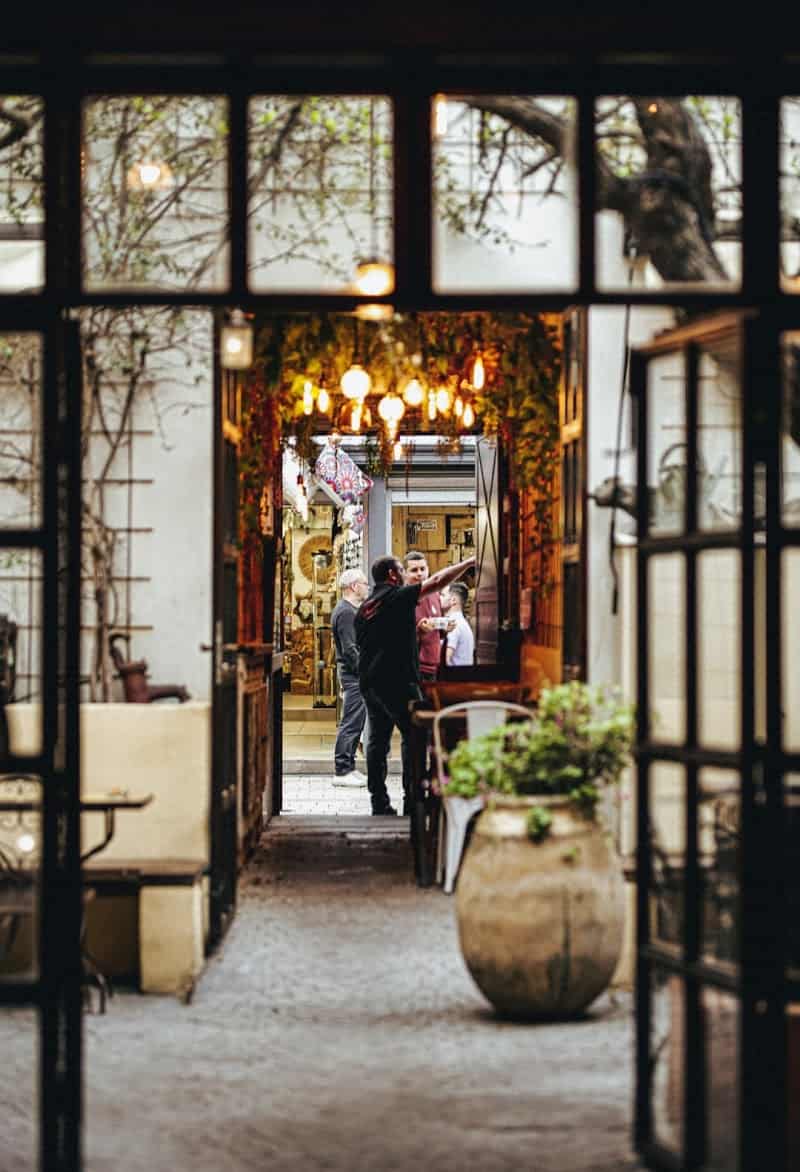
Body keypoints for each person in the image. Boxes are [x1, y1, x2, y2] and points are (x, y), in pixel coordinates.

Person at [355, 551, 476, 816]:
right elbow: (437, 581)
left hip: (370, 683)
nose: (405, 575)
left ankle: (379, 801)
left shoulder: (365, 608)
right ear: (392, 575)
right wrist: (467, 564)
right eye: (401, 569)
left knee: (377, 741)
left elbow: (369, 642)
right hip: (397, 681)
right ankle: (413, 799)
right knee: (414, 735)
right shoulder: (397, 596)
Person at [330, 568, 370, 787]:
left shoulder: (349, 610)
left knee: (356, 720)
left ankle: (349, 767)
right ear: (354, 586)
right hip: (354, 675)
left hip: (355, 674)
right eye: (364, 583)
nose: (367, 587)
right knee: (351, 722)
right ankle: (342, 770)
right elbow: (349, 649)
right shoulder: (346, 612)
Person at [403, 550, 454, 683]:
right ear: (404, 573)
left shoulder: (435, 594)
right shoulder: (402, 598)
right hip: (413, 668)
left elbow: (437, 633)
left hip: (433, 667)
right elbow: (396, 636)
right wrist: (419, 629)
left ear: (428, 570)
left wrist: (445, 628)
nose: (419, 573)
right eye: (414, 570)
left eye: (422, 569)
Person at [440, 581, 475, 666]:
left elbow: (446, 659)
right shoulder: (462, 623)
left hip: (454, 677)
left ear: (453, 600)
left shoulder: (453, 624)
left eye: (443, 595)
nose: (439, 598)